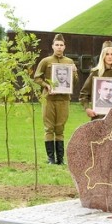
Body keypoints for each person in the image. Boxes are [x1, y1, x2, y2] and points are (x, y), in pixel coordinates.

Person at [34, 34, 79, 165]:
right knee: (49, 128)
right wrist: (46, 85)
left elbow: (74, 82)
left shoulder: (69, 62)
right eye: (57, 45)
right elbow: (37, 78)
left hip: (64, 99)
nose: (59, 47)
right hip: (49, 99)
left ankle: (60, 159)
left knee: (60, 128)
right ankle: (50, 159)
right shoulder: (46, 61)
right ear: (53, 46)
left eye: (61, 45)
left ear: (64, 47)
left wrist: (75, 72)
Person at [79, 40, 112, 120]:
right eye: (107, 54)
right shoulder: (95, 73)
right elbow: (83, 94)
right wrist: (87, 109)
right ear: (102, 56)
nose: (110, 57)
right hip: (98, 117)